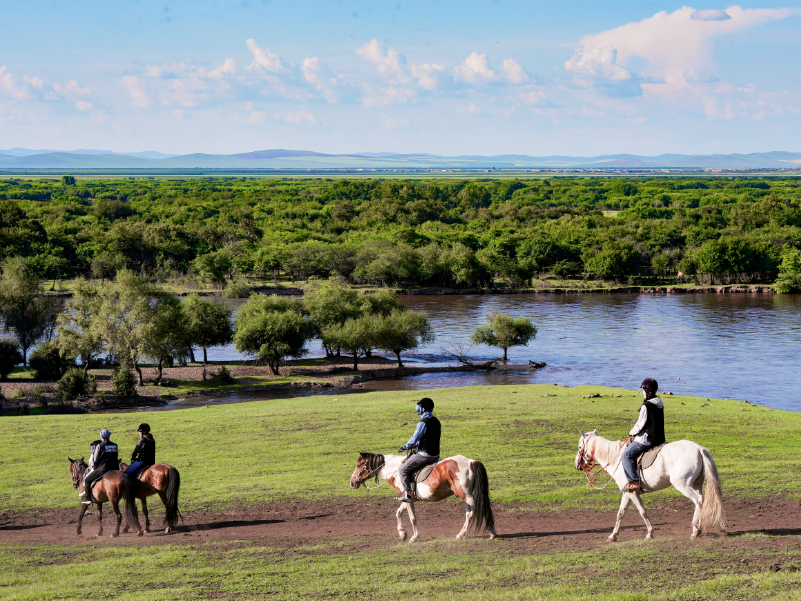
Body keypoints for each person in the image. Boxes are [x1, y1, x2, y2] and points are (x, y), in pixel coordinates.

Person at [621, 378, 665, 492]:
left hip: (647, 439)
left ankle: (634, 481)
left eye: (643, 390)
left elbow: (640, 425)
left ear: (646, 391)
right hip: (659, 438)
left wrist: (631, 433)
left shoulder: (646, 406)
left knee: (626, 455)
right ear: (655, 391)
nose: (642, 392)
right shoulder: (659, 403)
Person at [396, 397, 441, 503]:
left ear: (423, 409)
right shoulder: (436, 421)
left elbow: (414, 439)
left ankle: (408, 495)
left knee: (402, 470)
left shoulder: (423, 423)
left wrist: (405, 446)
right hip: (436, 454)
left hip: (425, 455)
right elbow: (428, 438)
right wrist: (415, 445)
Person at [81, 429, 119, 504]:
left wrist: (95, 467)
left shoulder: (99, 446)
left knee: (87, 480)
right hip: (115, 468)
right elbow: (116, 456)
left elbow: (95, 460)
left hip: (103, 470)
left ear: (101, 436)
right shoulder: (115, 445)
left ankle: (88, 497)